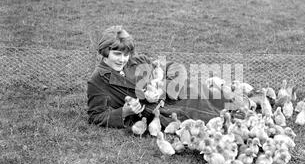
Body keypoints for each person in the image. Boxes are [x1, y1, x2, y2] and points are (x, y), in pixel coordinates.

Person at [87, 26, 233, 131]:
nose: (122, 60)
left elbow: (175, 67)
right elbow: (96, 116)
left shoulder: (138, 60)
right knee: (213, 116)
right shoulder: (98, 80)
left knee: (223, 99)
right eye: (117, 54)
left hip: (178, 91)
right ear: (105, 52)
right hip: (161, 109)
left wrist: (163, 86)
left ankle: (240, 104)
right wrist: (125, 112)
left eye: (125, 54)